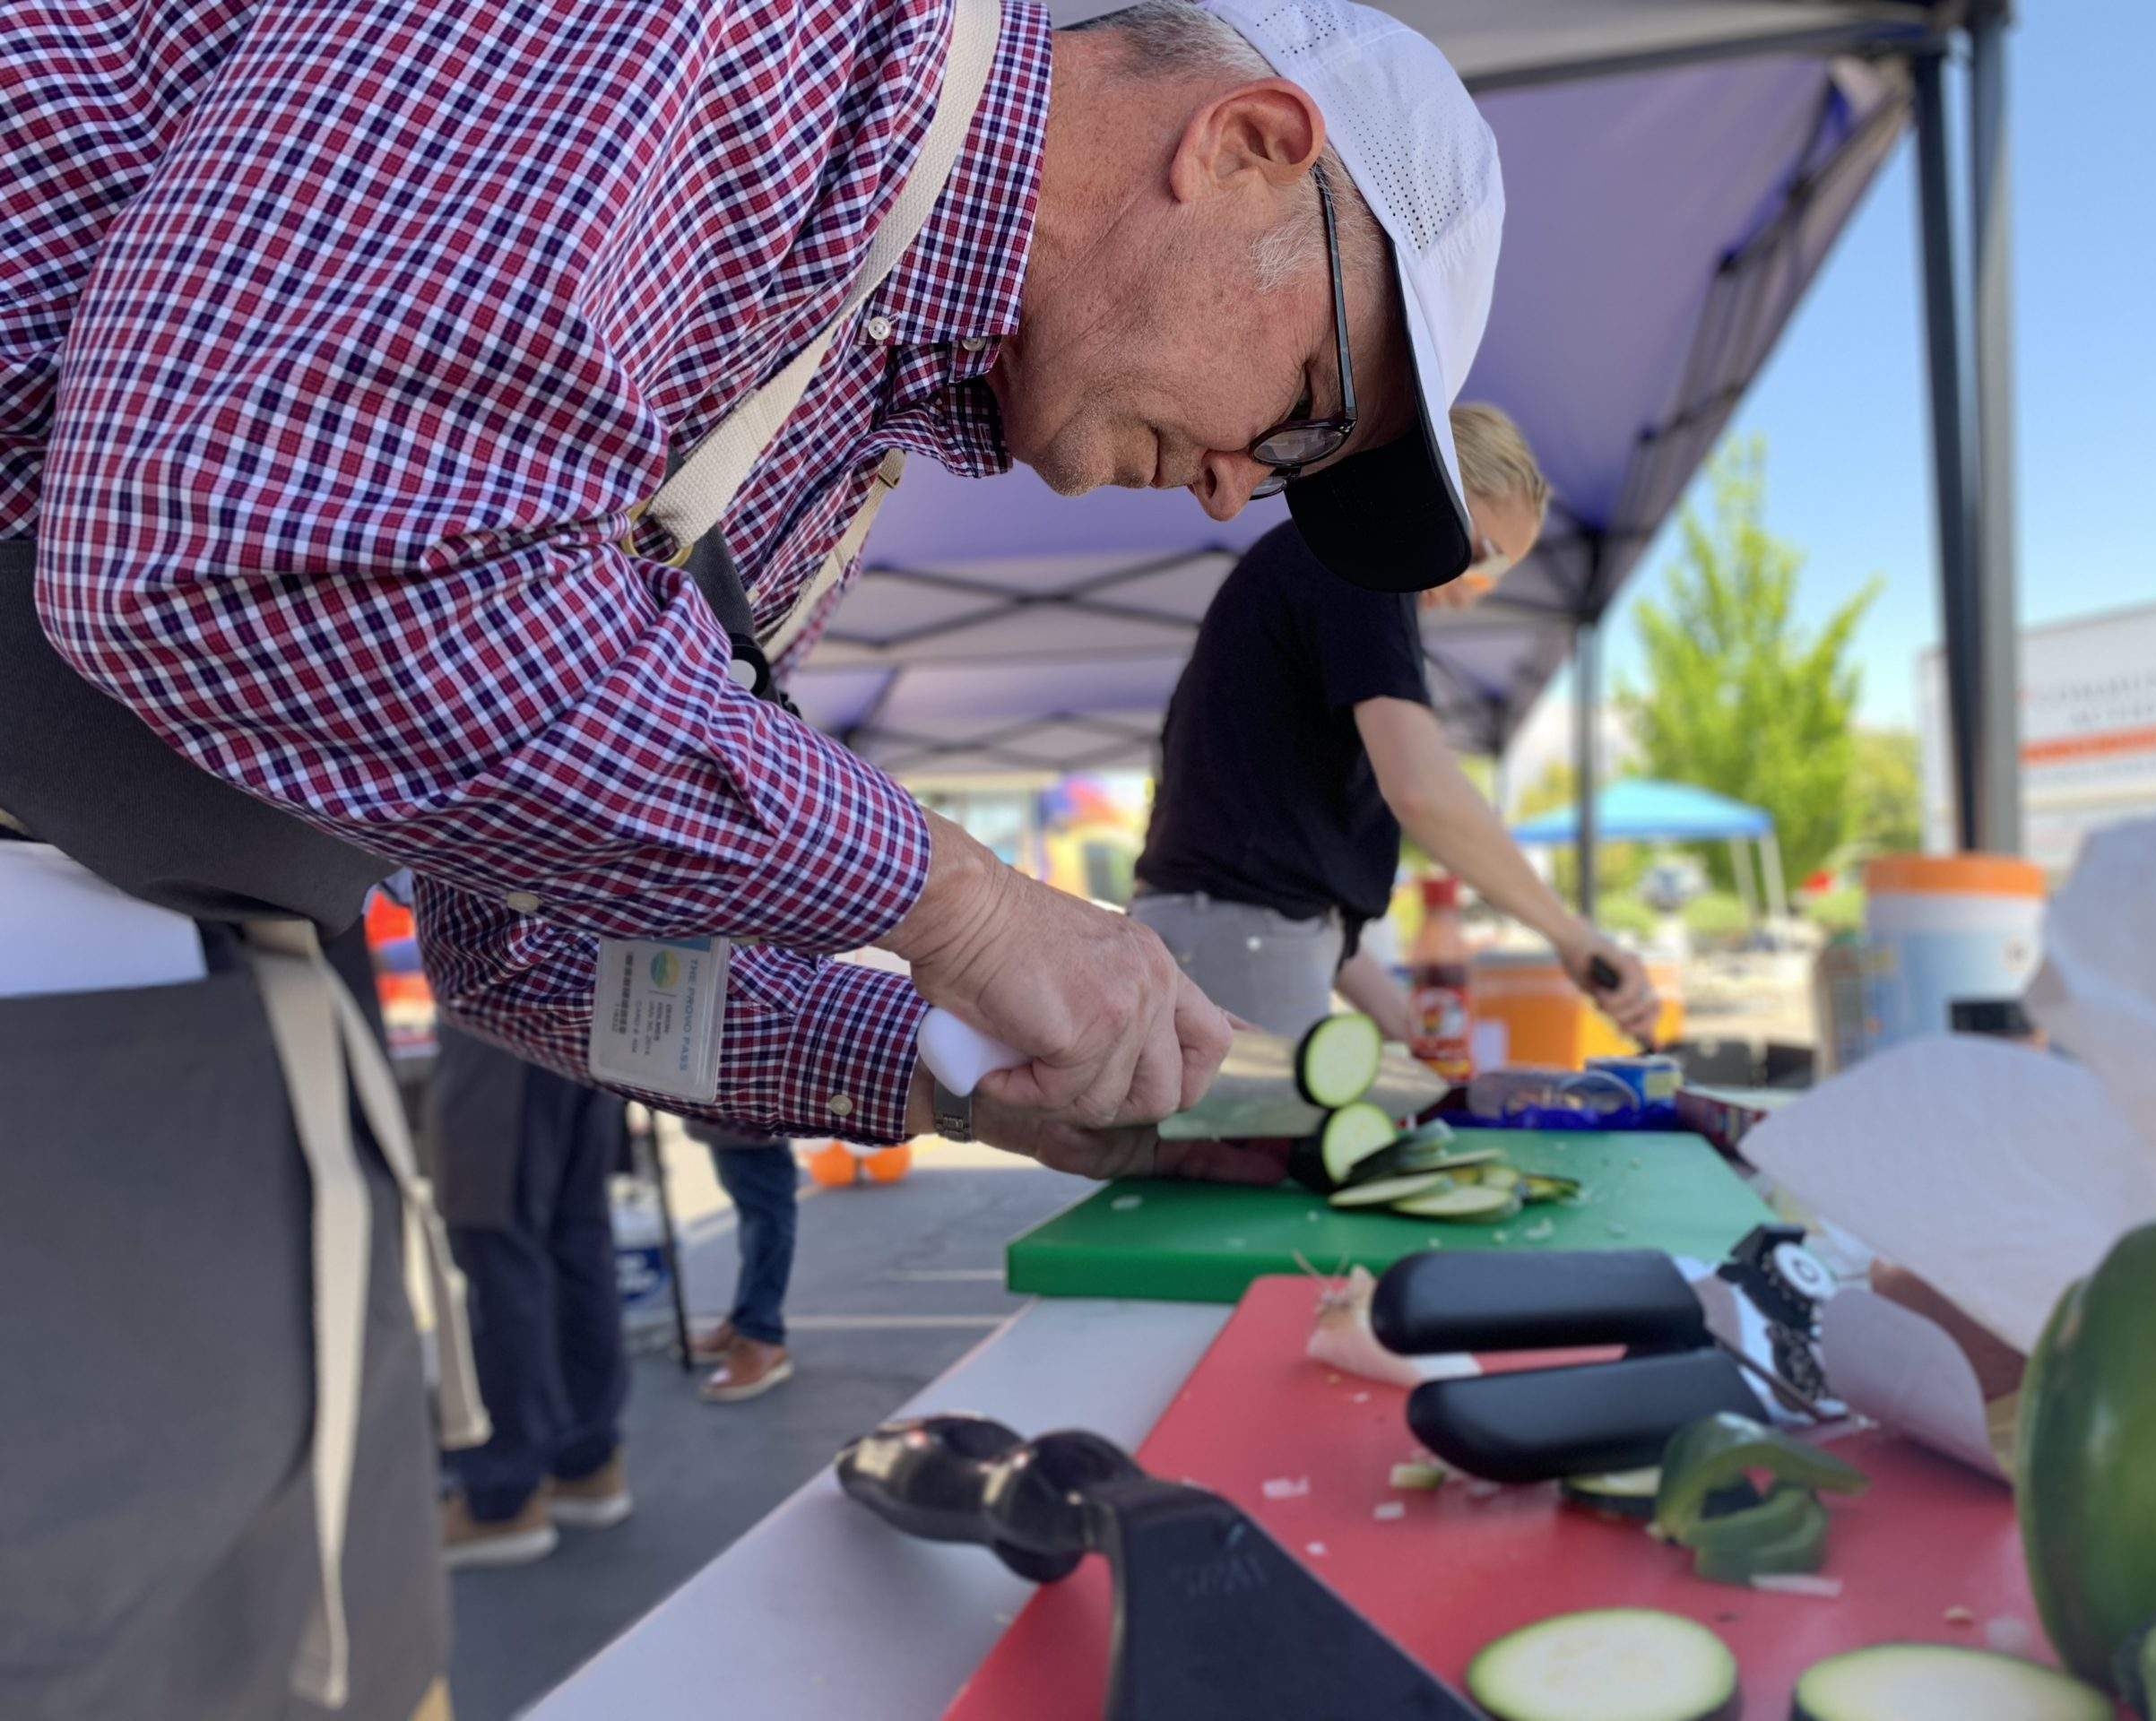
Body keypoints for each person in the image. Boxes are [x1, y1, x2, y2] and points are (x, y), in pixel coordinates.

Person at [2, 2, 1506, 1713]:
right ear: (1247, 148)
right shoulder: (755, 37)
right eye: (1310, 408)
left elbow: (527, 953)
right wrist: (954, 899)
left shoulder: (828, 419)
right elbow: (244, 536)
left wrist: (951, 1075)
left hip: (204, 1011)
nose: (1243, 491)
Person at [1131, 402, 1664, 1044]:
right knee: (1254, 1148)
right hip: (1233, 932)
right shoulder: (1365, 563)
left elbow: (1287, 861)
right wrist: (1573, 937)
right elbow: (1421, 788)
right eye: (1489, 556)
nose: (1478, 590)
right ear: (1440, 486)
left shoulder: (1325, 563)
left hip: (1222, 929)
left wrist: (1397, 1018)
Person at [427, 1024, 635, 1569]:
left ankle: (503, 1496)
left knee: (497, 1239)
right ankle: (585, 1462)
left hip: (502, 997)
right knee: (576, 1233)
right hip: (589, 996)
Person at [686, 1125, 804, 1405]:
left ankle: (761, 1334)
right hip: (724, 1113)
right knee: (753, 1213)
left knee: (766, 1217)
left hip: (752, 1111)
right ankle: (746, 1321)